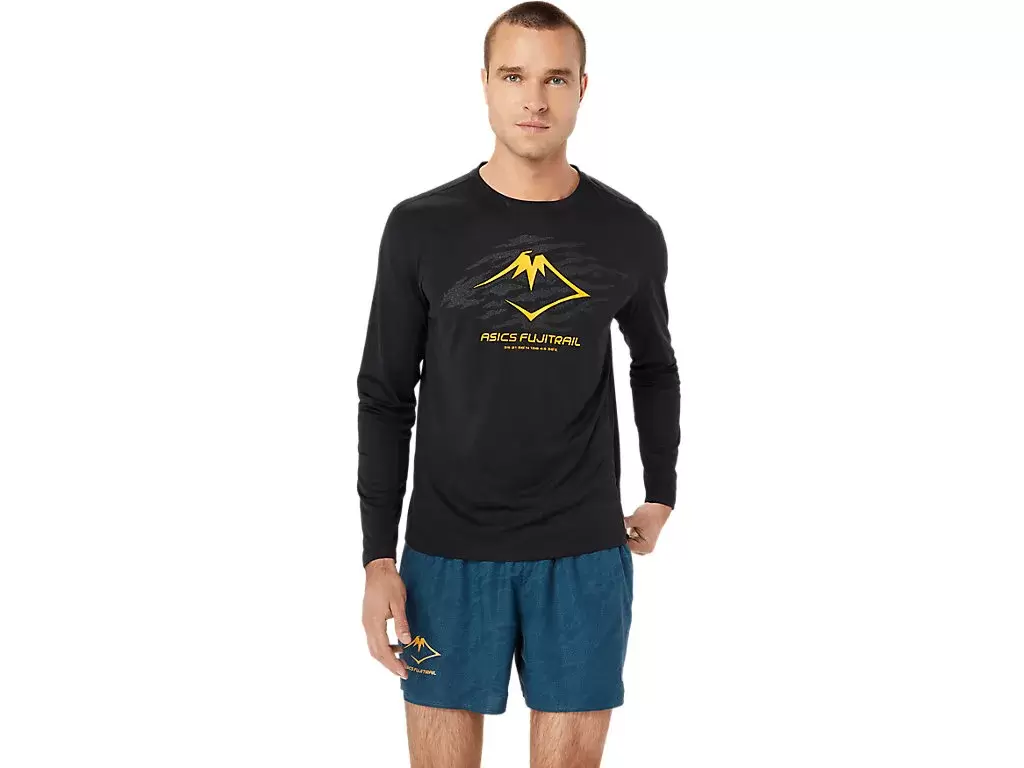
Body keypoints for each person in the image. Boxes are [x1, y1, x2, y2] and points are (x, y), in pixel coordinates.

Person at [357, 3, 680, 766]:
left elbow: (655, 364)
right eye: (514, 76)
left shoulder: (627, 231)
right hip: (444, 555)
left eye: (555, 78)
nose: (534, 98)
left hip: (584, 554)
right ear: (485, 84)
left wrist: (661, 492)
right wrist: (377, 558)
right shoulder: (421, 226)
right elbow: (385, 394)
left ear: (582, 88)